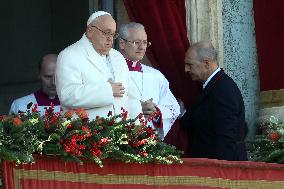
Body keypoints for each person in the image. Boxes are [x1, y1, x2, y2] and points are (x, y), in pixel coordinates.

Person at [55, 11, 142, 120]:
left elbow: (131, 97)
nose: (110, 39)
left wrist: (137, 128)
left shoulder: (118, 57)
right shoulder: (69, 55)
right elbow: (67, 95)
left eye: (113, 34)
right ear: (90, 31)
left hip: (123, 132)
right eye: (106, 32)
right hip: (87, 133)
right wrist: (107, 91)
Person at [180, 41, 247, 160]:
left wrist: (218, 173)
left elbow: (226, 139)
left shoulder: (223, 90)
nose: (186, 69)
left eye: (190, 65)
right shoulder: (212, 85)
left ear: (206, 64)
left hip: (219, 171)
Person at [118, 22, 180, 139]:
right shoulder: (108, 72)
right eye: (136, 42)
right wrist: (135, 108)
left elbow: (174, 108)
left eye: (145, 42)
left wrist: (156, 111)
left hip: (150, 144)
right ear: (122, 43)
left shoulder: (156, 76)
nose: (142, 47)